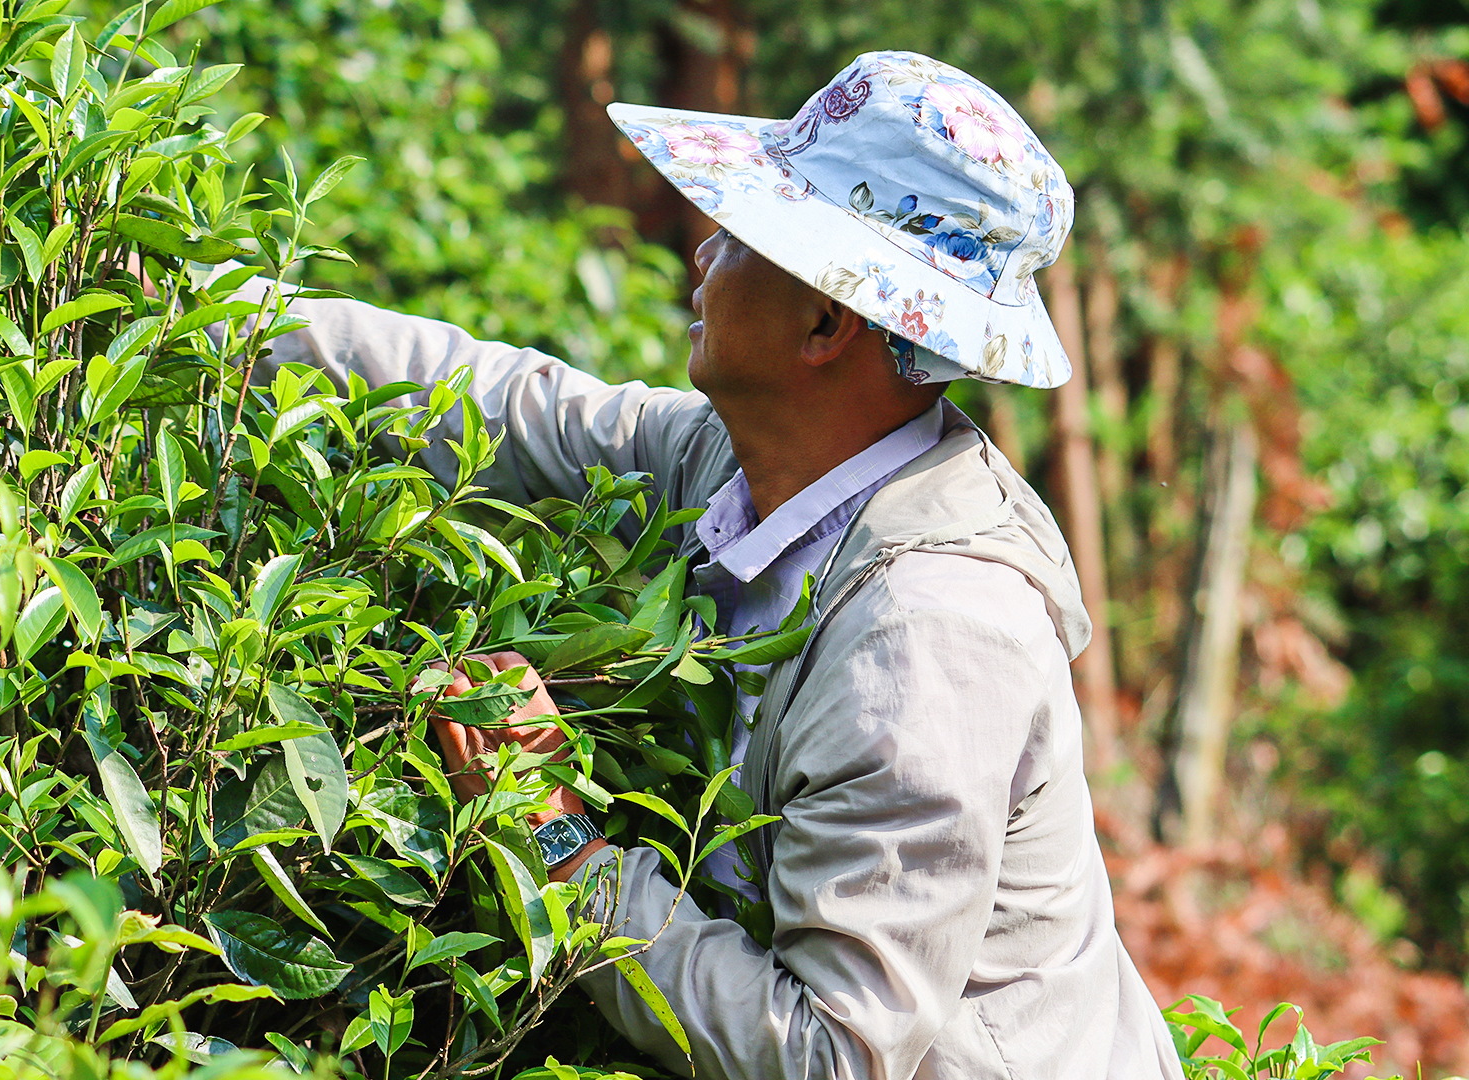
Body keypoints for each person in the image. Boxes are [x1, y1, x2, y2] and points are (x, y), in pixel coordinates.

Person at [255, 50, 1181, 1080]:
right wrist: (223, 319)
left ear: (827, 320)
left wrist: (562, 843)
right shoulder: (743, 461)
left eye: (745, 235)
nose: (702, 250)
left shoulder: (928, 636)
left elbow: (832, 1055)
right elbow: (504, 402)